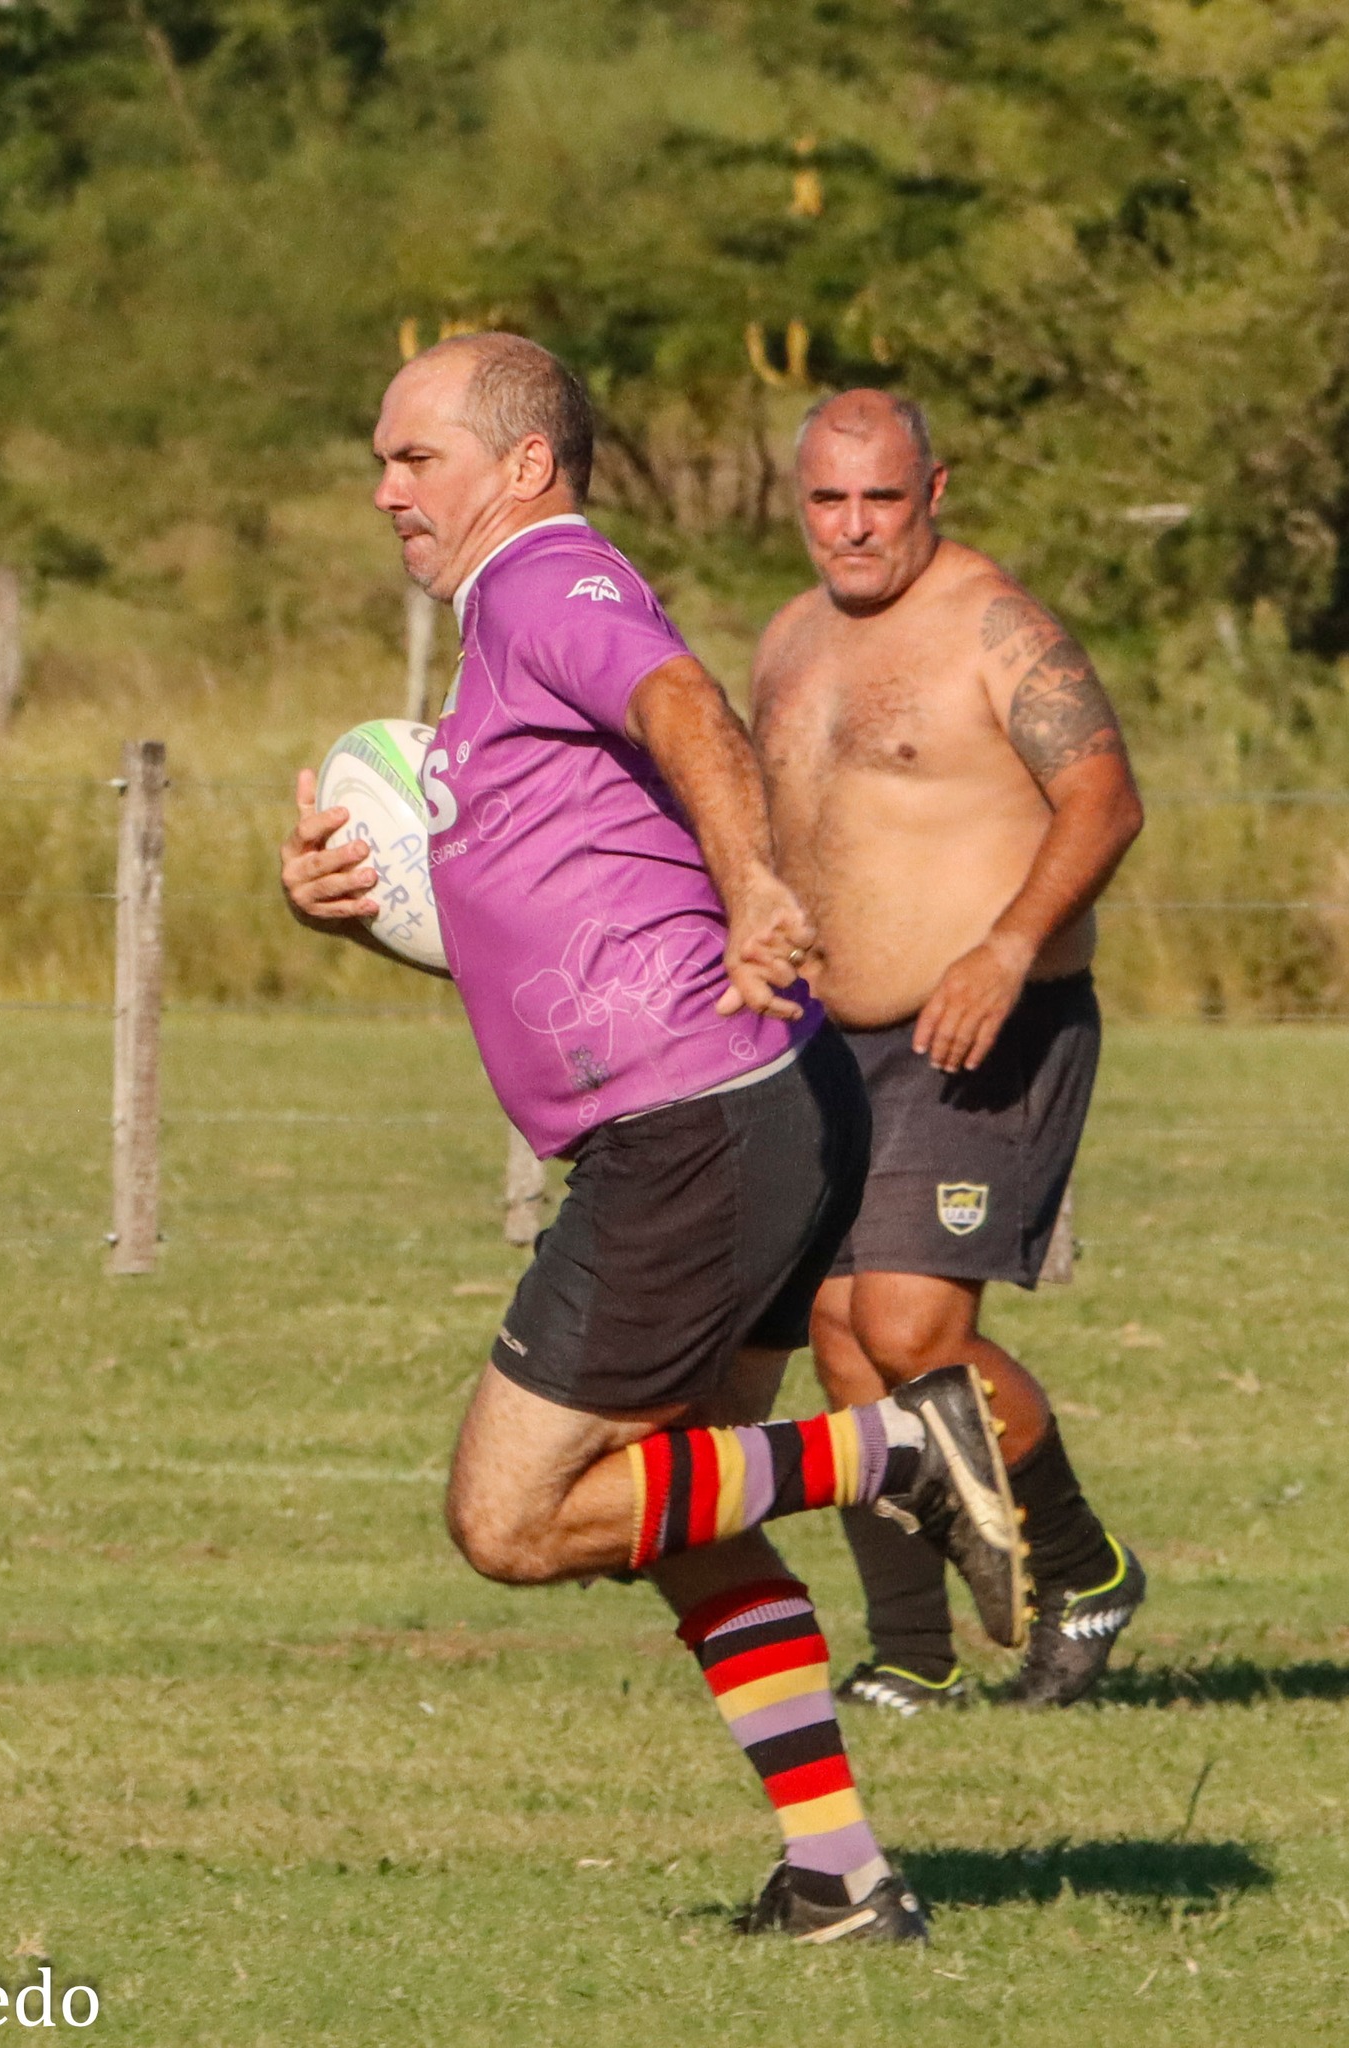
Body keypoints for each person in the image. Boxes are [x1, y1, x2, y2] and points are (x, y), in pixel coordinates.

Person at [279, 333, 1026, 1945]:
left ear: (523, 464)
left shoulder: (550, 579)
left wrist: (757, 880)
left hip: (690, 1118)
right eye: (383, 460)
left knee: (517, 1516)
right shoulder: (495, 645)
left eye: (417, 457)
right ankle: (837, 1875)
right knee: (682, 1505)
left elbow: (685, 705)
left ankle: (899, 1444)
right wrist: (350, 911)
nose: (386, 488)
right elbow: (533, 896)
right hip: (742, 1106)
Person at [751, 389, 1147, 1713]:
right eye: (827, 500)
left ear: (935, 488)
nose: (853, 527)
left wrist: (1006, 946)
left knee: (913, 1329)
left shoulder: (995, 627)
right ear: (794, 499)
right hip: (825, 1042)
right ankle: (910, 1653)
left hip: (982, 1022)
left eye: (880, 496)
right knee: (840, 1343)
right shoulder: (787, 641)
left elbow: (1103, 794)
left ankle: (1083, 1575)